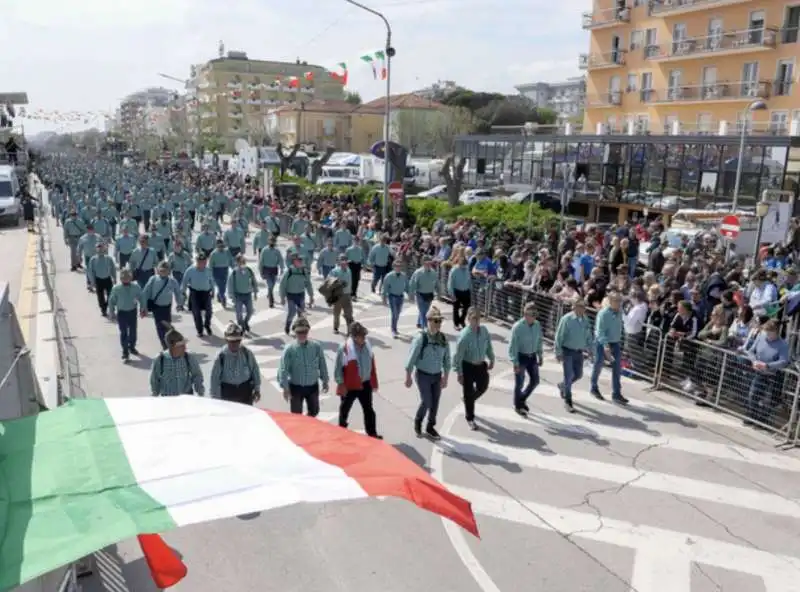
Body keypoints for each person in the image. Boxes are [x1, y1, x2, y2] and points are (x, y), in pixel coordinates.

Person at [404, 306, 451, 440]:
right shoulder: (421, 338)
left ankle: (430, 426)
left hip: (436, 375)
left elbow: (447, 360)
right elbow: (411, 358)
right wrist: (408, 376)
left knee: (435, 402)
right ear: (428, 321)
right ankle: (418, 421)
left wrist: (445, 377)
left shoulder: (443, 339)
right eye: (435, 321)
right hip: (423, 374)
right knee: (427, 400)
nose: (438, 324)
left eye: (440, 321)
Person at [334, 321, 382, 439]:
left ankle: (372, 433)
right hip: (350, 385)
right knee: (344, 409)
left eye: (364, 335)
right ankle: (341, 430)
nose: (364, 338)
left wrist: (374, 382)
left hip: (365, 384)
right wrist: (341, 384)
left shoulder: (367, 345)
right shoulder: (344, 348)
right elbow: (337, 369)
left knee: (369, 409)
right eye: (361, 336)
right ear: (354, 337)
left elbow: (371, 364)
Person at [277, 317, 329, 417]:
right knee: (296, 415)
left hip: (312, 386)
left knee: (314, 412)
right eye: (299, 332)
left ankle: (309, 429)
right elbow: (283, 369)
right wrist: (285, 388)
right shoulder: (289, 349)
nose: (302, 335)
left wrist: (325, 380)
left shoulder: (316, 347)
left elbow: (322, 364)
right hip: (296, 388)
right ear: (295, 333)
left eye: (304, 332)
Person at [453, 307, 495, 430]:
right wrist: (459, 373)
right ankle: (470, 418)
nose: (476, 321)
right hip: (468, 366)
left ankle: (468, 400)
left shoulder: (484, 331)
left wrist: (491, 358)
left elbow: (488, 346)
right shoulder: (464, 336)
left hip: (480, 364)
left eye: (478, 318)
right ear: (468, 319)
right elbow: (458, 356)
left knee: (483, 386)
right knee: (468, 391)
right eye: (473, 318)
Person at [554, 298, 594, 413]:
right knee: (568, 376)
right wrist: (558, 352)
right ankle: (568, 401)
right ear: (574, 307)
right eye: (580, 306)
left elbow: (588, 336)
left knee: (578, 374)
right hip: (567, 351)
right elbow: (559, 336)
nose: (583, 309)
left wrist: (591, 350)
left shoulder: (585, 320)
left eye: (584, 307)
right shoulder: (566, 319)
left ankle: (563, 386)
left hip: (579, 352)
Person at [591, 293, 629, 405]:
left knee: (617, 368)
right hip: (601, 342)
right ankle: (594, 387)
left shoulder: (620, 312)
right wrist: (605, 345)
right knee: (598, 364)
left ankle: (616, 393)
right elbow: (600, 331)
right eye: (616, 301)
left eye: (620, 301)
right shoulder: (603, 314)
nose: (619, 303)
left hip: (615, 343)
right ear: (611, 301)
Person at [210, 323, 261, 404]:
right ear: (226, 340)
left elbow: (255, 370)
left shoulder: (247, 353)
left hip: (245, 392)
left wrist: (257, 389)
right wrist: (215, 400)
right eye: (232, 341)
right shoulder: (220, 357)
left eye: (237, 340)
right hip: (228, 393)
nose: (235, 343)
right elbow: (214, 380)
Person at [508, 302, 544, 416]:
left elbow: (539, 341)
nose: (533, 317)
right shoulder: (518, 327)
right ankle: (518, 405)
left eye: (535, 314)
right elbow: (513, 346)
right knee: (519, 383)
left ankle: (521, 398)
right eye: (531, 314)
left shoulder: (537, 325)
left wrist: (540, 354)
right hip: (521, 356)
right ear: (525, 314)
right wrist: (515, 362)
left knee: (535, 381)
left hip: (532, 356)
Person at [149, 324, 205, 396]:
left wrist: (200, 393)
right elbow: (154, 380)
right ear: (172, 347)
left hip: (186, 398)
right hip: (168, 399)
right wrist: (154, 395)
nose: (185, 347)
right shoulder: (160, 359)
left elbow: (197, 375)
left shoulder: (189, 357)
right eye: (181, 346)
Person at [142, 261, 184, 349]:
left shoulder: (172, 281)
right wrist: (143, 306)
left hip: (167, 307)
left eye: (165, 270)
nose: (163, 272)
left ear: (169, 271)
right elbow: (146, 292)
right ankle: (165, 345)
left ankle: (169, 342)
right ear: (158, 270)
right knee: (160, 327)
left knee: (167, 327)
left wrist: (179, 304)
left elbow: (178, 293)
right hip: (156, 307)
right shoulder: (153, 279)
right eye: (161, 270)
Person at [107, 268, 145, 362]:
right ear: (121, 278)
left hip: (132, 312)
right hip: (122, 313)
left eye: (128, 277)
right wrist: (112, 312)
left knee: (133, 332)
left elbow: (141, 297)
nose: (126, 279)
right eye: (124, 277)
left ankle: (132, 347)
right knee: (123, 332)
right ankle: (125, 351)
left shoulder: (135, 287)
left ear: (131, 277)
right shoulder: (116, 288)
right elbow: (111, 301)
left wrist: (143, 308)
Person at [279, 252, 314, 335]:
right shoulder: (289, 271)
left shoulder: (304, 271)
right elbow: (282, 285)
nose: (301, 261)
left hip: (301, 295)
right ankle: (288, 325)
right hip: (291, 295)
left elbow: (308, 284)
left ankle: (298, 329)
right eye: (299, 260)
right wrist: (282, 297)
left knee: (301, 314)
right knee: (292, 312)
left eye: (301, 260)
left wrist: (311, 296)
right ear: (294, 261)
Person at [181, 252, 215, 337]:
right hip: (195, 293)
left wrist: (213, 291)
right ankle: (199, 330)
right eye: (200, 262)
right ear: (197, 261)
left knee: (209, 312)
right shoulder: (190, 270)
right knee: (196, 313)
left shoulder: (208, 270)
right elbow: (184, 281)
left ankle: (207, 325)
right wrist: (183, 292)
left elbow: (212, 281)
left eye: (204, 262)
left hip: (206, 293)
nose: (202, 264)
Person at [227, 254, 258, 332]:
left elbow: (254, 281)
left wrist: (255, 292)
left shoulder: (249, 270)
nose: (243, 263)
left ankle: (245, 322)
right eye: (241, 262)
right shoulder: (234, 273)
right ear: (237, 263)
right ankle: (241, 325)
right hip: (238, 295)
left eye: (244, 261)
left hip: (248, 295)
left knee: (250, 311)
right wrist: (232, 296)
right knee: (239, 313)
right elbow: (230, 285)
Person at [87, 242, 117, 317]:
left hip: (107, 279)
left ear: (104, 249)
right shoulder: (93, 259)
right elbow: (90, 271)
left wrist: (114, 278)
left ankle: (109, 306)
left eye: (101, 248)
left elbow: (113, 269)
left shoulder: (108, 258)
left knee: (110, 295)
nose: (100, 249)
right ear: (96, 249)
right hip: (98, 280)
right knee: (100, 296)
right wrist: (92, 282)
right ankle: (103, 309)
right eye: (98, 248)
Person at [409, 256, 439, 329]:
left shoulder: (433, 272)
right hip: (420, 294)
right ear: (423, 263)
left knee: (425, 310)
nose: (428, 265)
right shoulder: (418, 272)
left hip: (429, 294)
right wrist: (411, 294)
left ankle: (419, 322)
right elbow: (412, 283)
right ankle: (424, 328)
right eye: (426, 263)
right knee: (424, 312)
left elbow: (437, 283)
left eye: (429, 263)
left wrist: (438, 292)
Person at [382, 259, 409, 338]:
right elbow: (385, 288)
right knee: (395, 313)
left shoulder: (403, 275)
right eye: (396, 266)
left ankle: (394, 327)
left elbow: (407, 286)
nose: (398, 268)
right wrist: (384, 298)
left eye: (400, 266)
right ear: (393, 267)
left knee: (398, 313)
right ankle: (394, 329)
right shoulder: (389, 276)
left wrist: (410, 294)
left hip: (400, 296)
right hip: (392, 296)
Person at [328, 254, 354, 335]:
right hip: (338, 295)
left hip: (347, 295)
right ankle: (335, 327)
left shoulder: (349, 270)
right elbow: (329, 282)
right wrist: (339, 283)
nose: (345, 263)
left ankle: (349, 330)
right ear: (339, 262)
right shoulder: (335, 271)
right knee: (336, 313)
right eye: (342, 261)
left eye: (346, 261)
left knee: (349, 313)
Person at [258, 234, 284, 308]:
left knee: (273, 284)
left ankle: (269, 293)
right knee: (270, 285)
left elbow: (281, 260)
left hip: (274, 269)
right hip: (267, 270)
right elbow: (261, 262)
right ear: (268, 241)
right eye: (270, 241)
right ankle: (271, 302)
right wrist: (261, 272)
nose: (272, 242)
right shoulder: (264, 250)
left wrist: (282, 268)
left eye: (273, 241)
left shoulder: (277, 250)